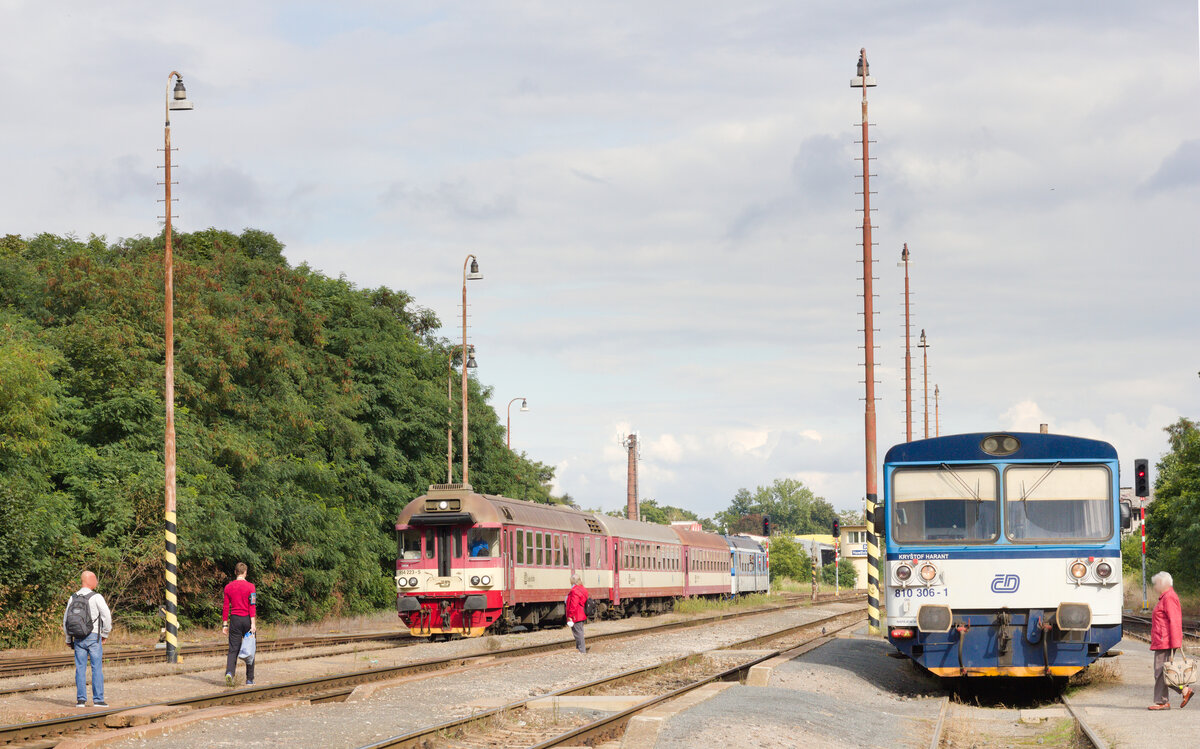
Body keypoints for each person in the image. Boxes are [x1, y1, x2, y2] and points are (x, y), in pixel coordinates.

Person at [63, 570, 112, 708]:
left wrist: (68, 638)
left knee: (80, 668)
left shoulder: (72, 597)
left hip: (78, 638)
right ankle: (98, 700)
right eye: (95, 579)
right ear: (89, 580)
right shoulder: (96, 597)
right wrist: (105, 633)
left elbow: (66, 619)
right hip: (93, 636)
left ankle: (81, 700)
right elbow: (106, 616)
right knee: (96, 667)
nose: (96, 581)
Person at [1148, 571, 1193, 710]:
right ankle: (1184, 691)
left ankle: (1163, 702)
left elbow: (1175, 620)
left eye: (1156, 584)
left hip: (1165, 641)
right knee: (1164, 671)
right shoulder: (1165, 597)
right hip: (1162, 640)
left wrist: (1176, 642)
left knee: (1161, 672)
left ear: (1162, 583)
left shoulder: (1169, 598)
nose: (1154, 587)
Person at [222, 562, 257, 687]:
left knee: (233, 649)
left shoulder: (228, 587)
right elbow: (252, 606)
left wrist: (225, 624)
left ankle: (230, 672)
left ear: (235, 572)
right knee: (250, 649)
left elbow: (226, 607)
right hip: (247, 619)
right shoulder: (251, 587)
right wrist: (253, 623)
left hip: (235, 620)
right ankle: (249, 679)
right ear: (245, 572)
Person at [565, 573, 589, 654]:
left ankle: (582, 651)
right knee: (579, 633)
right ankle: (580, 650)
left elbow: (573, 604)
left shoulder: (574, 591)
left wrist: (570, 616)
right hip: (581, 614)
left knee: (578, 634)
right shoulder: (582, 589)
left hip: (576, 615)